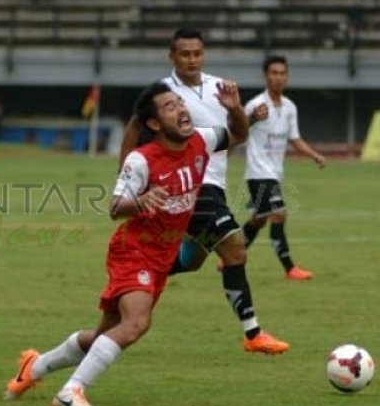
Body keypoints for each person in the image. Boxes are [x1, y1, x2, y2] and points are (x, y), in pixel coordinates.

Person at [4, 81, 246, 406]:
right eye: (170, 106)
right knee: (136, 324)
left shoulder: (202, 140)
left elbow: (239, 134)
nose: (181, 108)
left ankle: (33, 367)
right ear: (155, 123)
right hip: (134, 251)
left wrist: (234, 109)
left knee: (103, 336)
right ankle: (71, 392)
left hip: (161, 255)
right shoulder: (142, 160)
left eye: (180, 102)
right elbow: (115, 207)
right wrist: (141, 200)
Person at [119, 28, 289, 355]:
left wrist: (238, 109)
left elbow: (236, 134)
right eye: (184, 54)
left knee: (194, 259)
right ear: (172, 56)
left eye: (197, 53)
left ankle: (138, 276)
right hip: (188, 186)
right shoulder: (163, 93)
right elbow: (134, 127)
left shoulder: (218, 87)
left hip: (214, 185)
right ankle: (253, 334)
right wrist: (125, 175)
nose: (191, 60)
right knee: (235, 249)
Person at [242, 55, 326, 280]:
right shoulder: (255, 106)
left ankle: (232, 255)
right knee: (279, 214)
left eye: (282, 73)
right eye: (274, 73)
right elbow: (237, 130)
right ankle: (290, 268)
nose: (279, 78)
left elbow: (295, 139)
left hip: (274, 174)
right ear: (265, 76)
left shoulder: (289, 107)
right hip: (258, 173)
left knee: (259, 219)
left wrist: (314, 155)